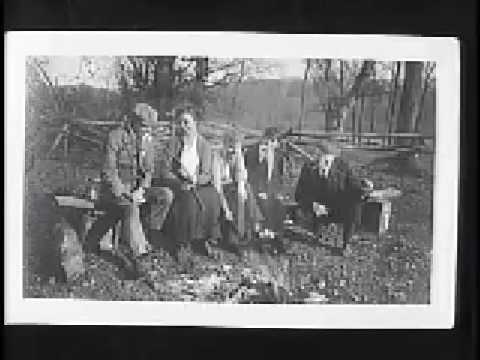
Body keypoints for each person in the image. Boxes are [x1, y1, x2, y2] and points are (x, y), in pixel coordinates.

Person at [84, 104, 173, 263]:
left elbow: (148, 171)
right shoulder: (115, 137)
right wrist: (124, 192)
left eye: (150, 127)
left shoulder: (148, 141)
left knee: (165, 195)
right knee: (130, 206)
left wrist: (142, 189)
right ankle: (140, 256)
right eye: (144, 126)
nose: (147, 131)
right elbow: (108, 171)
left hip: (136, 189)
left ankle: (150, 234)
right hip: (114, 191)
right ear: (134, 122)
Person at [155, 105, 222, 258]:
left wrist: (196, 180)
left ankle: (204, 239)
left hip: (198, 183)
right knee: (188, 198)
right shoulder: (174, 143)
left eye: (187, 122)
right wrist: (179, 179)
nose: (183, 127)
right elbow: (165, 170)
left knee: (212, 197)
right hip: (178, 182)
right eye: (181, 123)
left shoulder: (204, 146)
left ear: (195, 123)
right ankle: (181, 242)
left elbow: (207, 173)